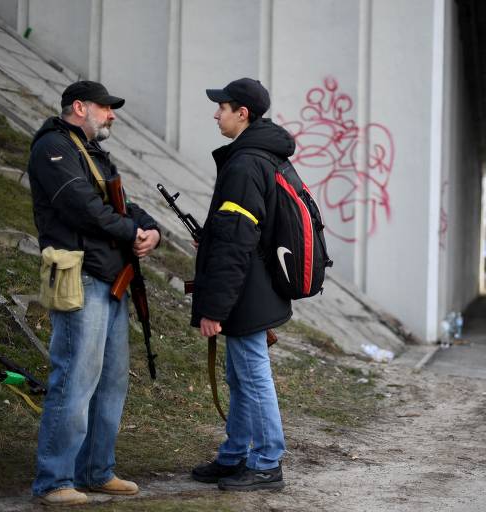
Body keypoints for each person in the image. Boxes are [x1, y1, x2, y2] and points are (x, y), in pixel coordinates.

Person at [28, 81, 161, 506]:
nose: (112, 115)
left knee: (111, 381)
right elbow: (82, 206)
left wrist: (150, 230)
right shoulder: (53, 147)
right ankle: (54, 480)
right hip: (81, 276)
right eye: (106, 108)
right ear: (79, 107)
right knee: (74, 378)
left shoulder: (91, 152)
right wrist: (131, 231)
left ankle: (95, 471)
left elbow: (121, 202)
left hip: (110, 278)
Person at [189, 78, 293, 491]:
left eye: (223, 107)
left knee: (252, 376)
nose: (217, 114)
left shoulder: (246, 163)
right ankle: (235, 456)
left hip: (246, 292)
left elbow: (236, 242)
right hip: (256, 286)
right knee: (240, 377)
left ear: (242, 113)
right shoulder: (263, 156)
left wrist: (213, 308)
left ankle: (268, 462)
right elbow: (243, 230)